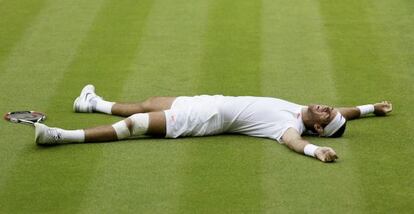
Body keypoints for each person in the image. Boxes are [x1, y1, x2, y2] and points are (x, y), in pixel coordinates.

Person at [34, 85, 392, 163]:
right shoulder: (304, 110)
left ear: (316, 129)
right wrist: (371, 107)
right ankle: (92, 103)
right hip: (209, 101)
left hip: (203, 119)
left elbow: (294, 144)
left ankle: (60, 137)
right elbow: (345, 112)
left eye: (326, 114)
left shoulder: (291, 128)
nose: (326, 107)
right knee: (149, 102)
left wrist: (317, 151)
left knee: (137, 124)